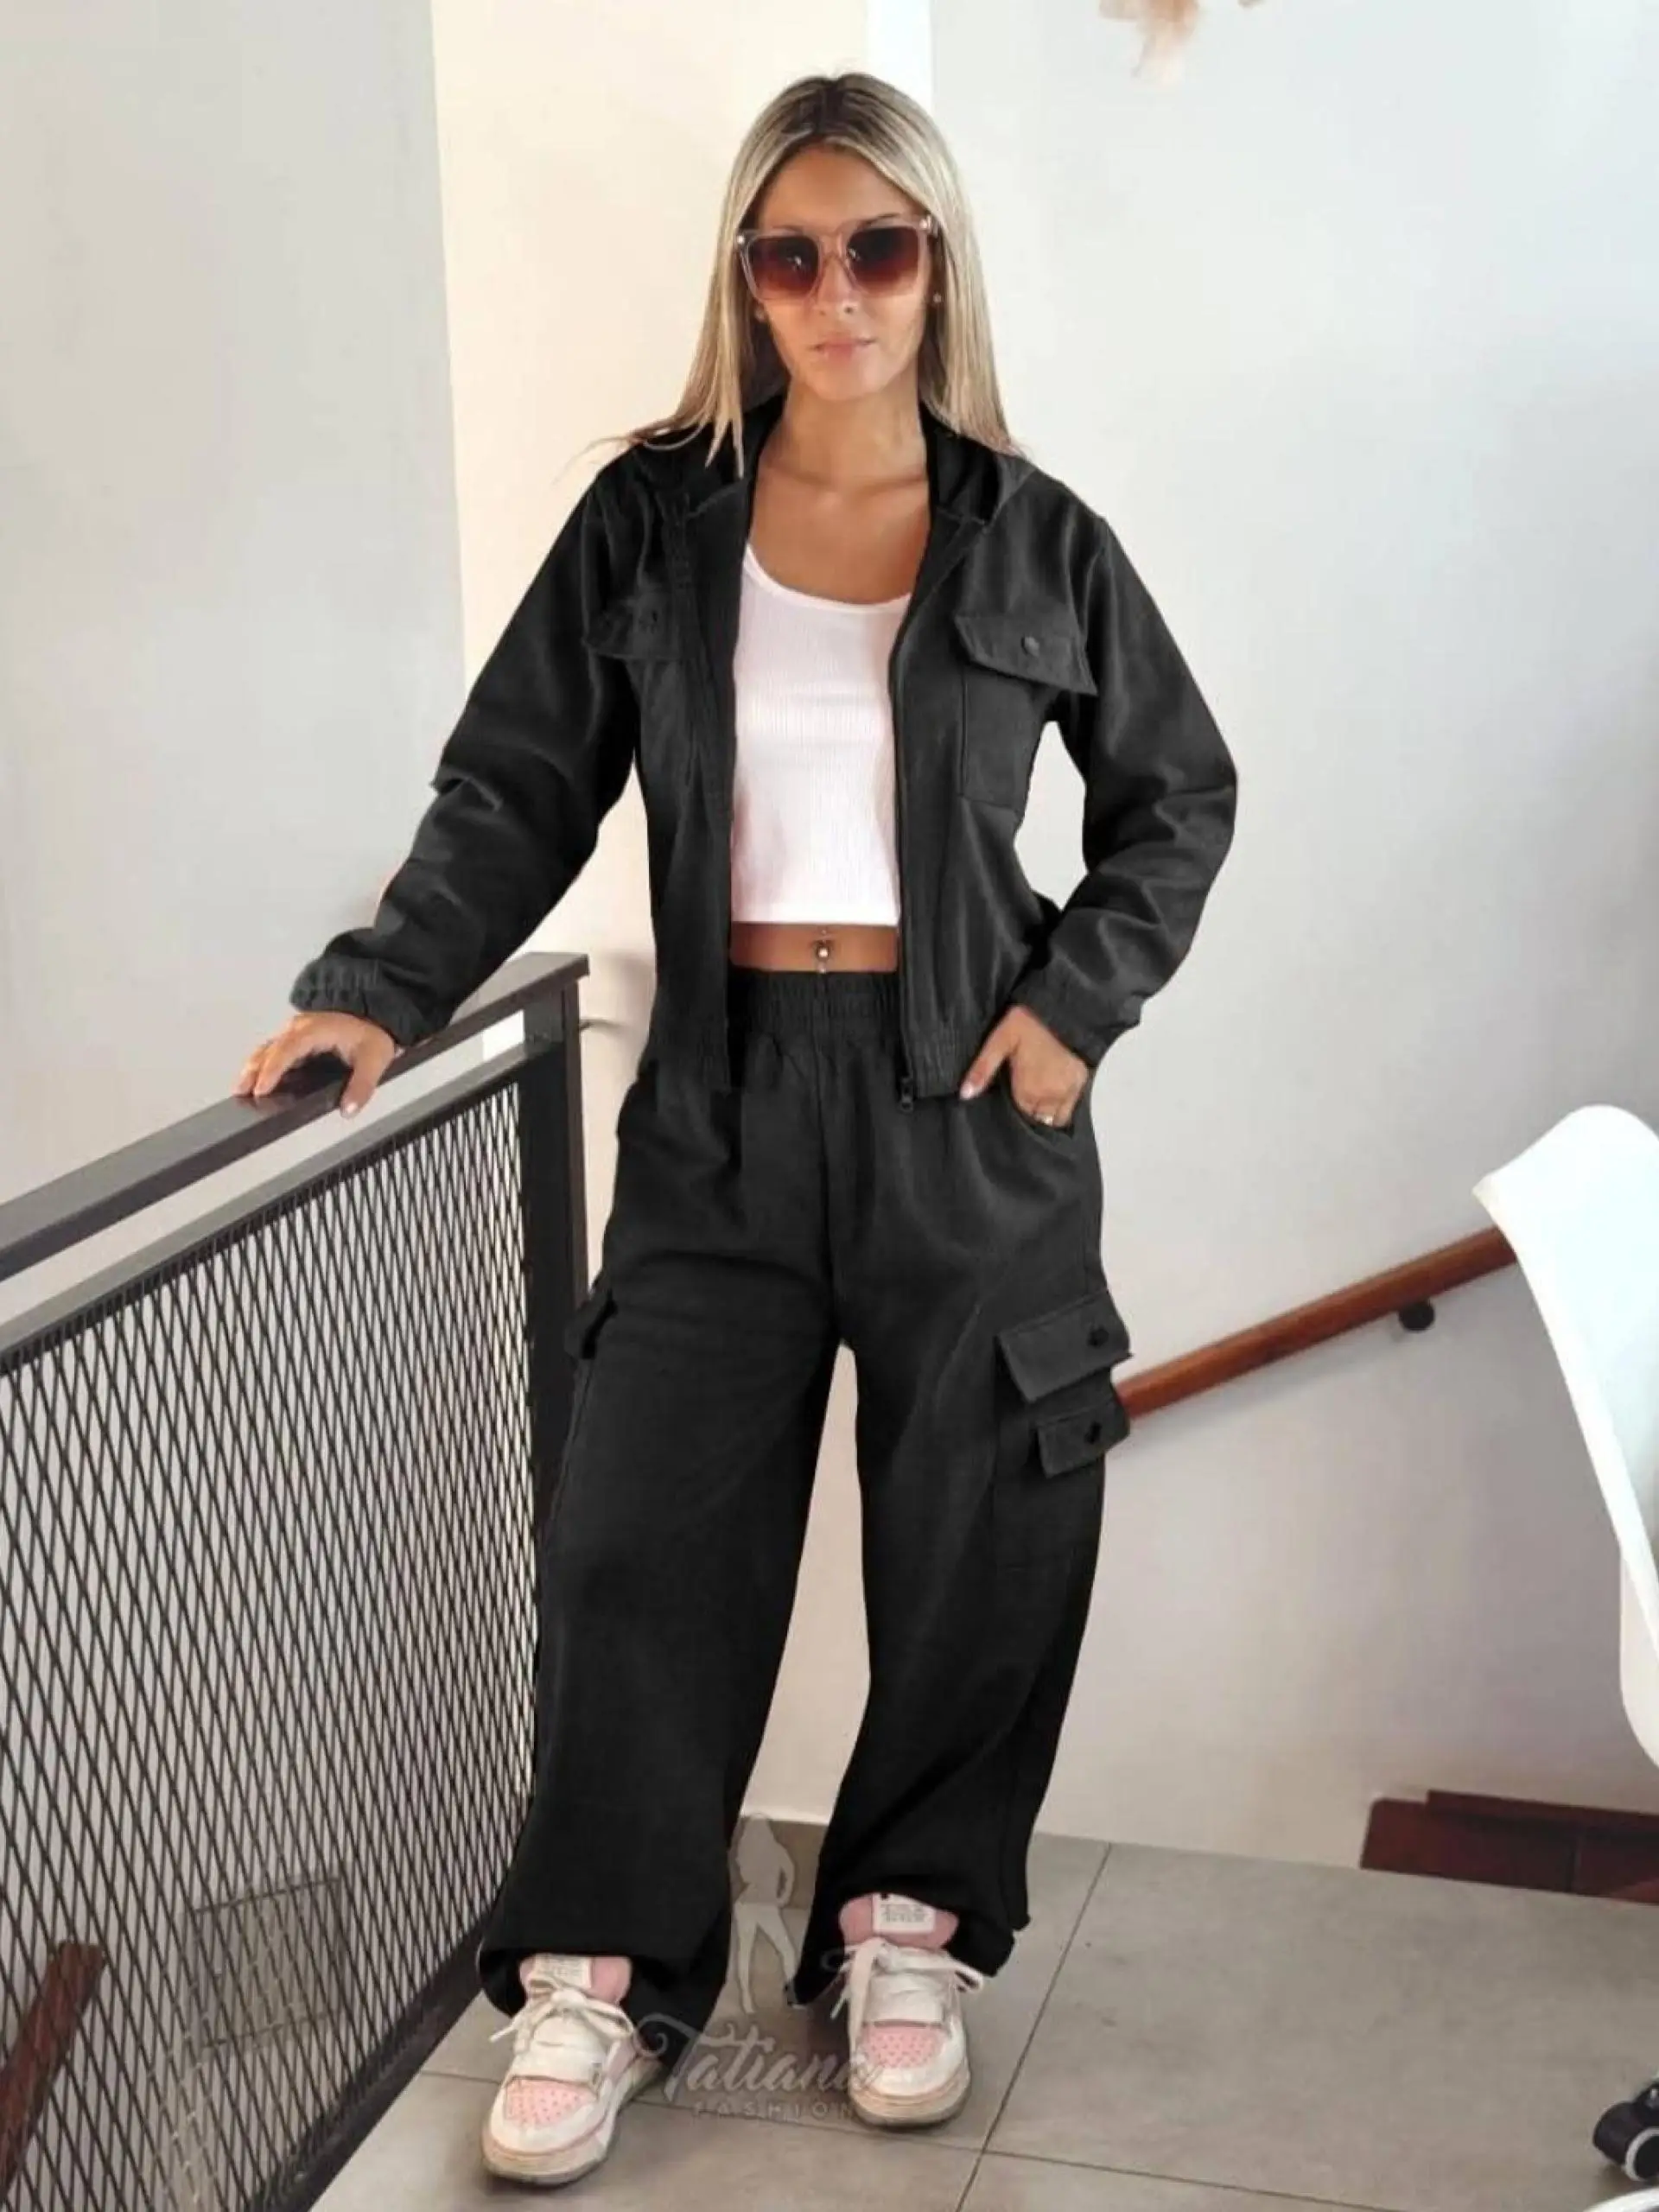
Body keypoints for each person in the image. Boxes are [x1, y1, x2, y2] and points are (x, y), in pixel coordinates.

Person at [232, 67, 1237, 2193]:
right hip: (720, 1100)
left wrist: (1073, 1010)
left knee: (981, 1522)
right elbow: (517, 781)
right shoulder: (652, 520)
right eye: (791, 254)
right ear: (747, 281)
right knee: (640, 1533)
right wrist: (382, 984)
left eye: (877, 247)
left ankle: (909, 1927)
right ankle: (598, 1967)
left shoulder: (1036, 534)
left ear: (935, 263)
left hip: (967, 1107)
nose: (835, 290)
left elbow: (1180, 798)